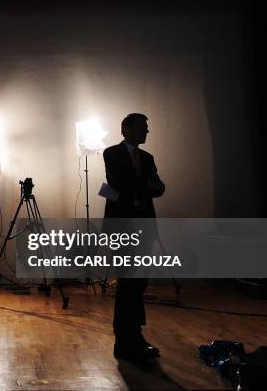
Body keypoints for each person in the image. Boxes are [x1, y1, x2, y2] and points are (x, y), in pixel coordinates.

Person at [103, 113, 165, 362]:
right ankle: (124, 339)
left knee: (139, 283)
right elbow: (119, 182)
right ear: (126, 129)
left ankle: (135, 336)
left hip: (144, 226)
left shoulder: (148, 158)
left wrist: (141, 189)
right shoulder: (111, 153)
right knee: (128, 282)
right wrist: (145, 188)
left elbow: (159, 188)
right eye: (143, 127)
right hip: (123, 227)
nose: (146, 132)